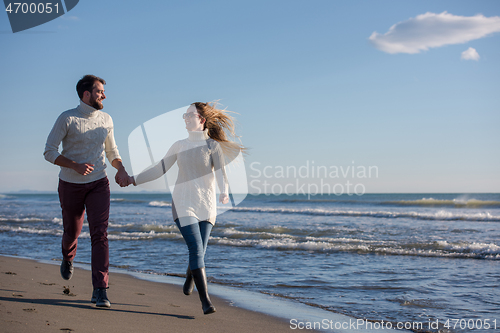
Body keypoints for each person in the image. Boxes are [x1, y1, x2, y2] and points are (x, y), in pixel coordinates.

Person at [124, 102, 244, 314]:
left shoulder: (212, 146)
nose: (186, 118)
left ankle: (190, 275)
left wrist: (224, 192)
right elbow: (159, 168)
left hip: (206, 205)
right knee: (196, 249)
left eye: (190, 115)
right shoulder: (179, 145)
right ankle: (206, 300)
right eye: (184, 115)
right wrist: (134, 179)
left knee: (200, 251)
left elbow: (220, 173)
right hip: (182, 202)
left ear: (202, 120)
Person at [44, 75, 130, 308]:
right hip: (70, 185)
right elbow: (49, 151)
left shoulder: (106, 119)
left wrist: (120, 168)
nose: (104, 95)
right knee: (72, 231)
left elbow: (112, 151)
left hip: (99, 183)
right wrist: (74, 165)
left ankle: (100, 290)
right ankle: (67, 257)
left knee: (100, 234)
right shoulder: (67, 118)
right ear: (86, 94)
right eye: (100, 91)